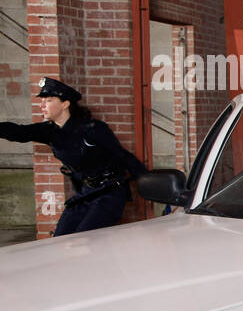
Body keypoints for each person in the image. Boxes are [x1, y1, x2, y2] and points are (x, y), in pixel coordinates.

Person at [0, 77, 149, 236]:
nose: (42, 105)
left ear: (65, 104)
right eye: (42, 101)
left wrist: (149, 181)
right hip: (86, 193)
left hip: (109, 192)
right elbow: (19, 132)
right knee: (61, 238)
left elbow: (123, 156)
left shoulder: (92, 128)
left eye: (49, 100)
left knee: (85, 239)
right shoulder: (49, 131)